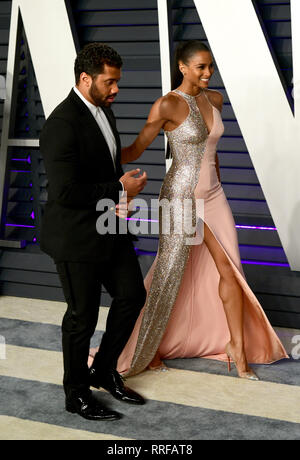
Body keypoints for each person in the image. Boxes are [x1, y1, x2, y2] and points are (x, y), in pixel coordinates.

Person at [93, 40, 288, 380]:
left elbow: (212, 153)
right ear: (183, 67)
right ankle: (148, 350)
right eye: (201, 67)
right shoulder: (167, 104)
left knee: (231, 272)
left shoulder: (215, 99)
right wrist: (99, 157)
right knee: (169, 276)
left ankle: (237, 350)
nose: (208, 73)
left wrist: (219, 187)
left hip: (213, 195)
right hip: (179, 196)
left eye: (210, 66)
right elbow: (137, 148)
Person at [39, 43, 148, 421]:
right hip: (74, 236)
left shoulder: (106, 112)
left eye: (117, 81)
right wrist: (119, 190)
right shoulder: (61, 124)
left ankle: (103, 368)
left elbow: (104, 170)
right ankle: (76, 394)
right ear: (85, 78)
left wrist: (121, 194)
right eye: (109, 82)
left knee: (132, 295)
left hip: (108, 226)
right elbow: (65, 191)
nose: (116, 89)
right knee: (82, 317)